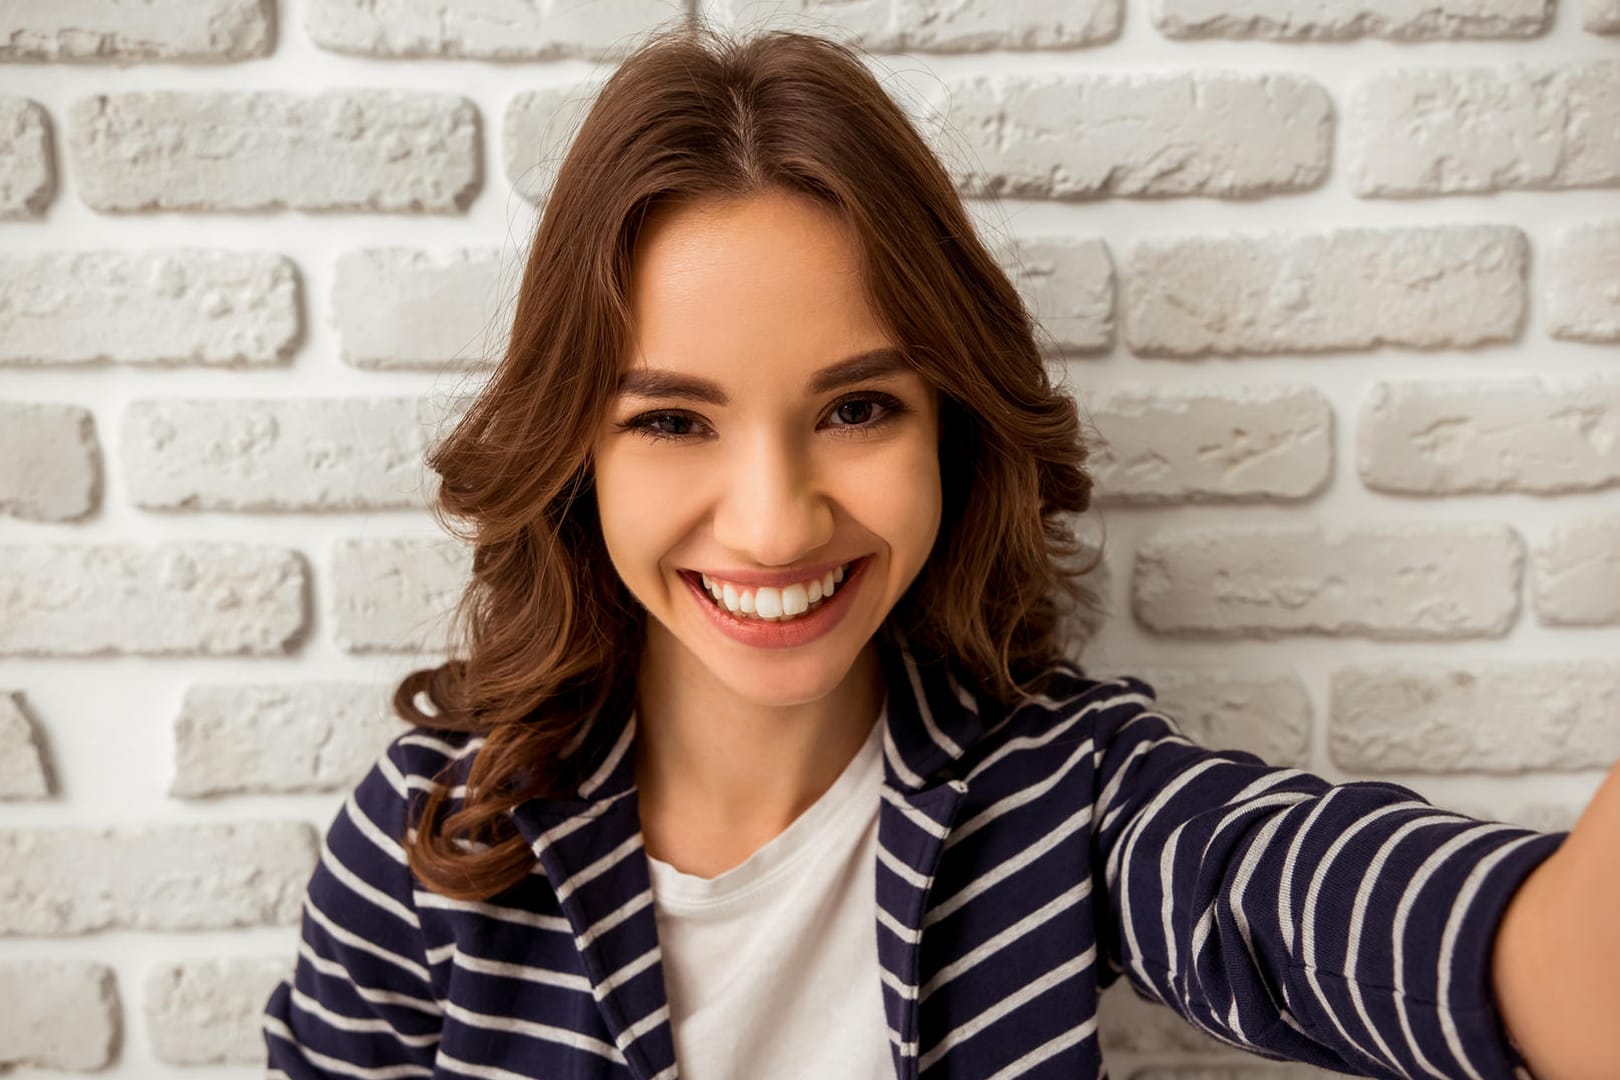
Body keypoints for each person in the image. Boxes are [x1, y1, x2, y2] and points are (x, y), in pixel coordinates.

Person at [263, 22, 1620, 1080]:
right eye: (674, 419)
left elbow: (1519, 971)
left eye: (857, 408)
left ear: (950, 434)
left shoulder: (1067, 800)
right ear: (580, 455)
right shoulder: (431, 842)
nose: (776, 522)